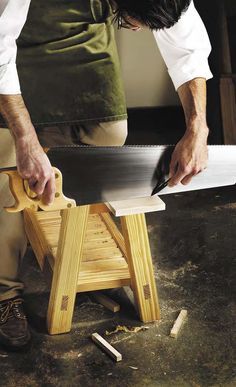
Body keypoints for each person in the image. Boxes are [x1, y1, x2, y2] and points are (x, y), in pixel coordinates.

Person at [0, 0, 212, 350]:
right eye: (136, 21)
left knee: (108, 147)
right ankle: (5, 295)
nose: (138, 30)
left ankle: (84, 266)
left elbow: (186, 47)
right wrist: (25, 139)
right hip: (18, 59)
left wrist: (198, 128)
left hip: (90, 59)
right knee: (9, 178)